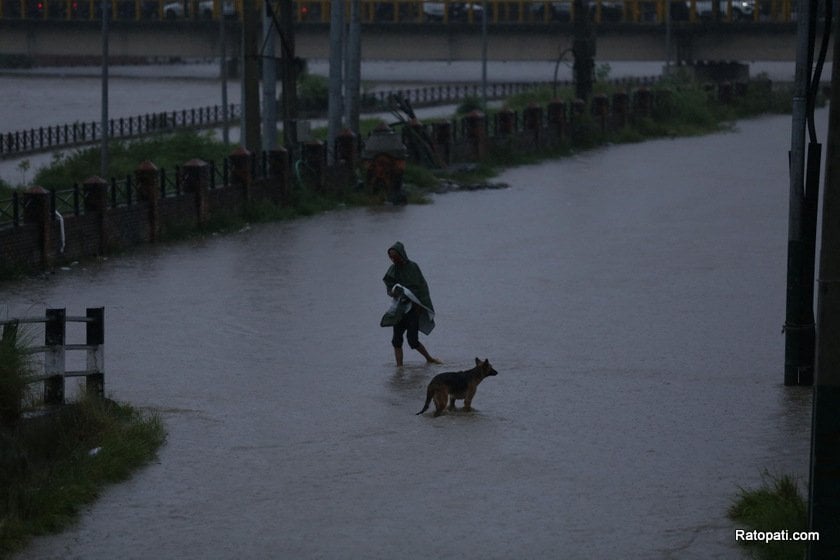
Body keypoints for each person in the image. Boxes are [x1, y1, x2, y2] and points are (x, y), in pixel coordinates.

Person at [382, 241, 441, 366]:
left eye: (395, 256)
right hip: (399, 309)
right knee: (396, 340)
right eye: (391, 257)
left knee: (413, 341)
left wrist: (419, 307)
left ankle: (429, 358)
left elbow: (421, 288)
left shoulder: (413, 267)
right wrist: (392, 292)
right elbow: (389, 285)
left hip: (413, 309)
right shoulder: (392, 269)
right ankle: (399, 367)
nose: (393, 259)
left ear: (401, 254)